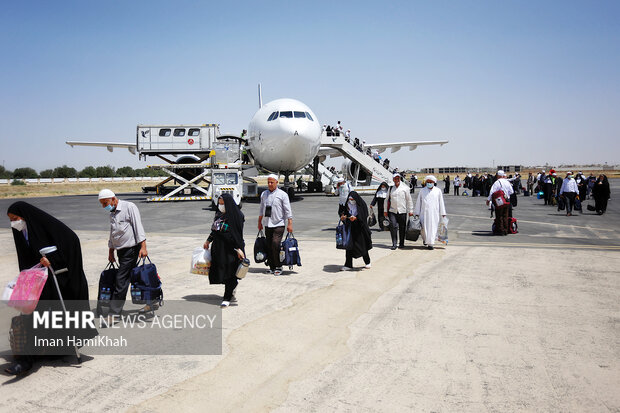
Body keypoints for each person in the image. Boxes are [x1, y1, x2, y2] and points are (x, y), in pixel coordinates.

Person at [6, 201, 97, 375]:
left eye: (16, 219)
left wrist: (52, 260)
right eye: (11, 220)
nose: (14, 223)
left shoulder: (45, 225)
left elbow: (71, 241)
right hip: (39, 281)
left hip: (58, 280)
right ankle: (29, 357)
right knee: (32, 316)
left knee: (47, 316)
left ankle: (33, 357)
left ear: (25, 216)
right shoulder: (21, 232)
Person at [98, 189, 149, 315]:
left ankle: (115, 312)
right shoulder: (112, 214)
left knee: (121, 279)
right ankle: (152, 299)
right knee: (132, 277)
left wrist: (143, 247)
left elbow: (138, 227)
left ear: (114, 199)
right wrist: (111, 252)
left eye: (105, 203)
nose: (104, 206)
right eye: (102, 204)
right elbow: (113, 234)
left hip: (131, 250)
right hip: (121, 251)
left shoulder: (129, 207)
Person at [204, 194, 245, 307]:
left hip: (231, 248)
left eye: (223, 203)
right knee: (221, 270)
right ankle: (232, 287)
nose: (220, 206)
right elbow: (214, 230)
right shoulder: (218, 215)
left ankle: (227, 297)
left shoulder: (237, 215)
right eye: (219, 203)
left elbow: (237, 234)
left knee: (230, 272)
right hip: (219, 248)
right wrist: (208, 241)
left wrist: (239, 248)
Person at [258, 174, 293, 276]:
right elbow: (261, 210)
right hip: (267, 223)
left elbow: (288, 211)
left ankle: (278, 266)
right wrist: (259, 222)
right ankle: (272, 266)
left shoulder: (282, 195)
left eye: (272, 182)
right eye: (268, 182)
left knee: (275, 244)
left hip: (279, 223)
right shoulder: (264, 194)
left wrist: (290, 223)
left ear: (277, 183)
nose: (269, 184)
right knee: (268, 245)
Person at [340, 191, 373, 271]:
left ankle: (367, 262)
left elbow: (364, 216)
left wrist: (356, 218)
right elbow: (343, 213)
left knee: (362, 246)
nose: (351, 201)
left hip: (360, 228)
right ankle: (348, 264)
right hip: (350, 228)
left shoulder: (361, 205)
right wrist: (343, 217)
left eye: (352, 199)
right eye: (350, 199)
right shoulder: (347, 205)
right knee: (349, 246)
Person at [413, 175, 447, 250]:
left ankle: (431, 243)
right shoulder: (422, 191)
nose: (429, 183)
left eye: (430, 182)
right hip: (423, 213)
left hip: (434, 214)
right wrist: (416, 213)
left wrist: (443, 213)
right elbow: (419, 202)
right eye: (427, 182)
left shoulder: (438, 191)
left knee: (432, 228)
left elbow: (441, 202)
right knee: (423, 229)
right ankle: (425, 240)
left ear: (434, 182)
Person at [385, 173, 413, 250]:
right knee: (393, 226)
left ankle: (401, 243)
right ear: (393, 179)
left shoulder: (405, 188)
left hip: (402, 211)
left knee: (402, 227)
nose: (396, 180)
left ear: (400, 179)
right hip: (392, 211)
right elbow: (386, 200)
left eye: (398, 178)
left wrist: (411, 210)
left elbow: (409, 200)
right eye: (395, 179)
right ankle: (394, 243)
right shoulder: (390, 188)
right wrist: (385, 210)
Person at [486, 170, 514, 235]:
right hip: (507, 200)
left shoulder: (497, 182)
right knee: (505, 215)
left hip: (499, 200)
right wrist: (506, 195)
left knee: (499, 215)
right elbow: (511, 191)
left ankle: (500, 230)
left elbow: (492, 192)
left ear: (498, 175)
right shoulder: (507, 182)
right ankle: (506, 230)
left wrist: (488, 200)